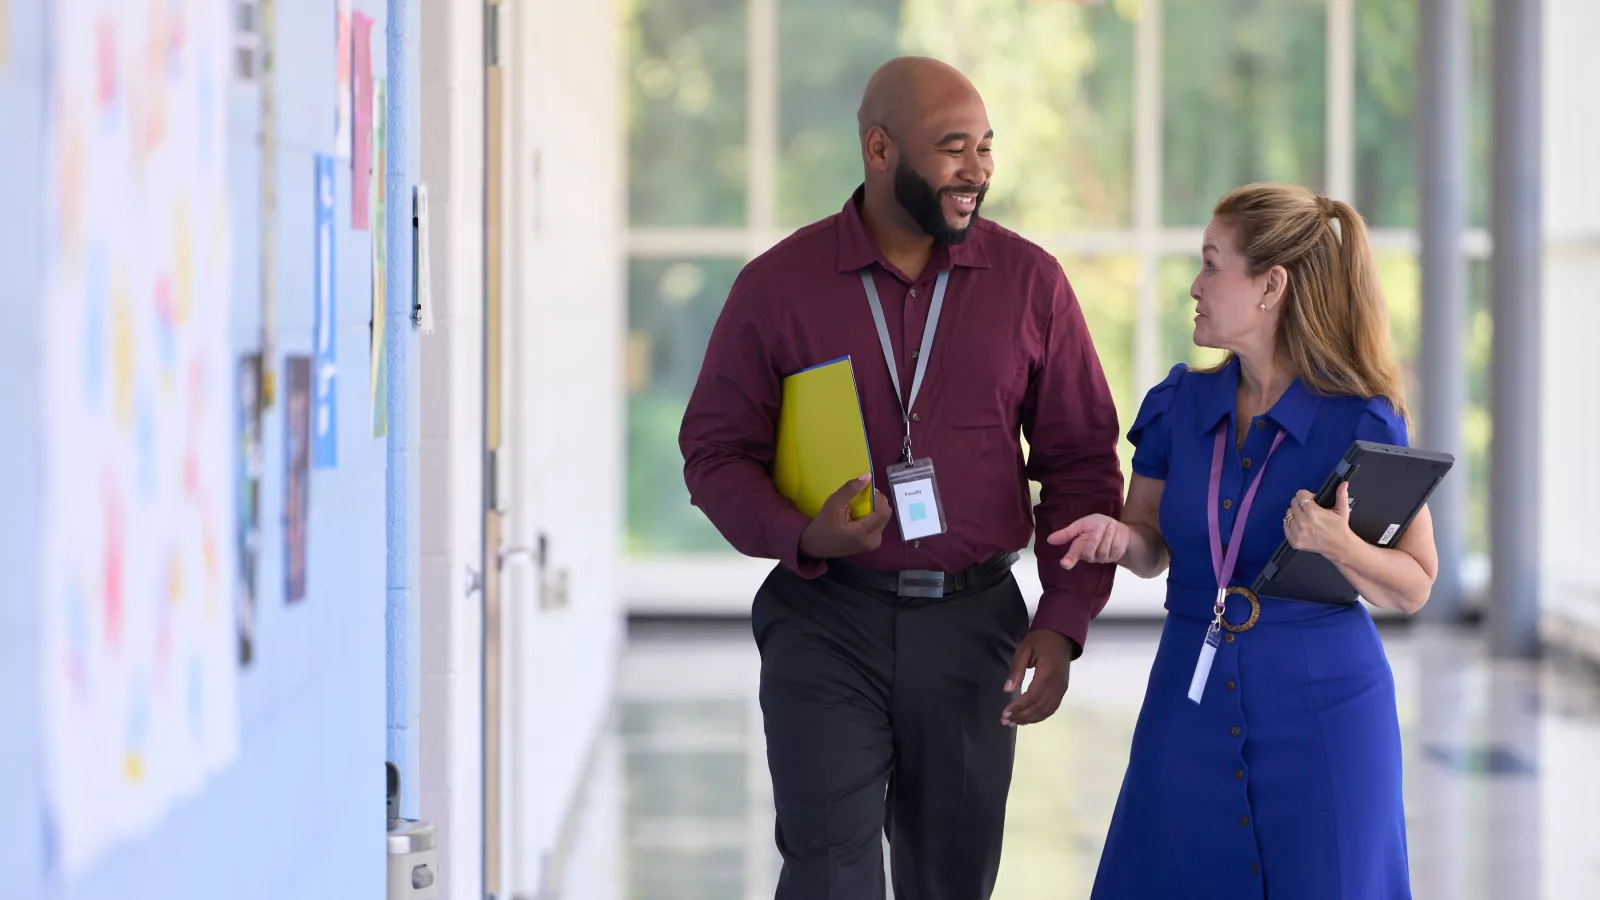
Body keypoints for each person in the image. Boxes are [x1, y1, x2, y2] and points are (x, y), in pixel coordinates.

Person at [678, 57, 1124, 899]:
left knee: (949, 878)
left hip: (974, 628)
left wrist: (1065, 619)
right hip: (826, 619)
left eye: (987, 147)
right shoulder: (779, 287)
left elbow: (1080, 463)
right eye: (954, 147)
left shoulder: (1032, 285)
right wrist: (800, 533)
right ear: (879, 149)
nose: (979, 170)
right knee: (829, 870)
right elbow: (714, 451)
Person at [1051, 183, 1437, 899]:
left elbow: (1414, 583)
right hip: (1187, 699)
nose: (1194, 286)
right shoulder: (1178, 405)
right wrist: (1118, 539)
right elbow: (1150, 545)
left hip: (1327, 713)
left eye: (1210, 264)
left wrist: (1337, 543)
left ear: (1271, 285)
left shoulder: (1363, 421)